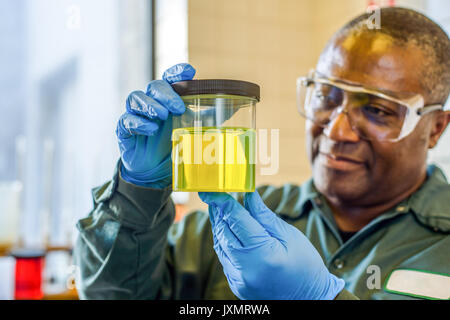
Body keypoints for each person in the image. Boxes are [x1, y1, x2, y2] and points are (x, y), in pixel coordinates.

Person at [74, 7, 450, 300]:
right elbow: (112, 292)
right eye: (326, 97)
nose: (336, 131)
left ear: (435, 127)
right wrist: (137, 191)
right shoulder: (230, 224)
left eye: (378, 110)